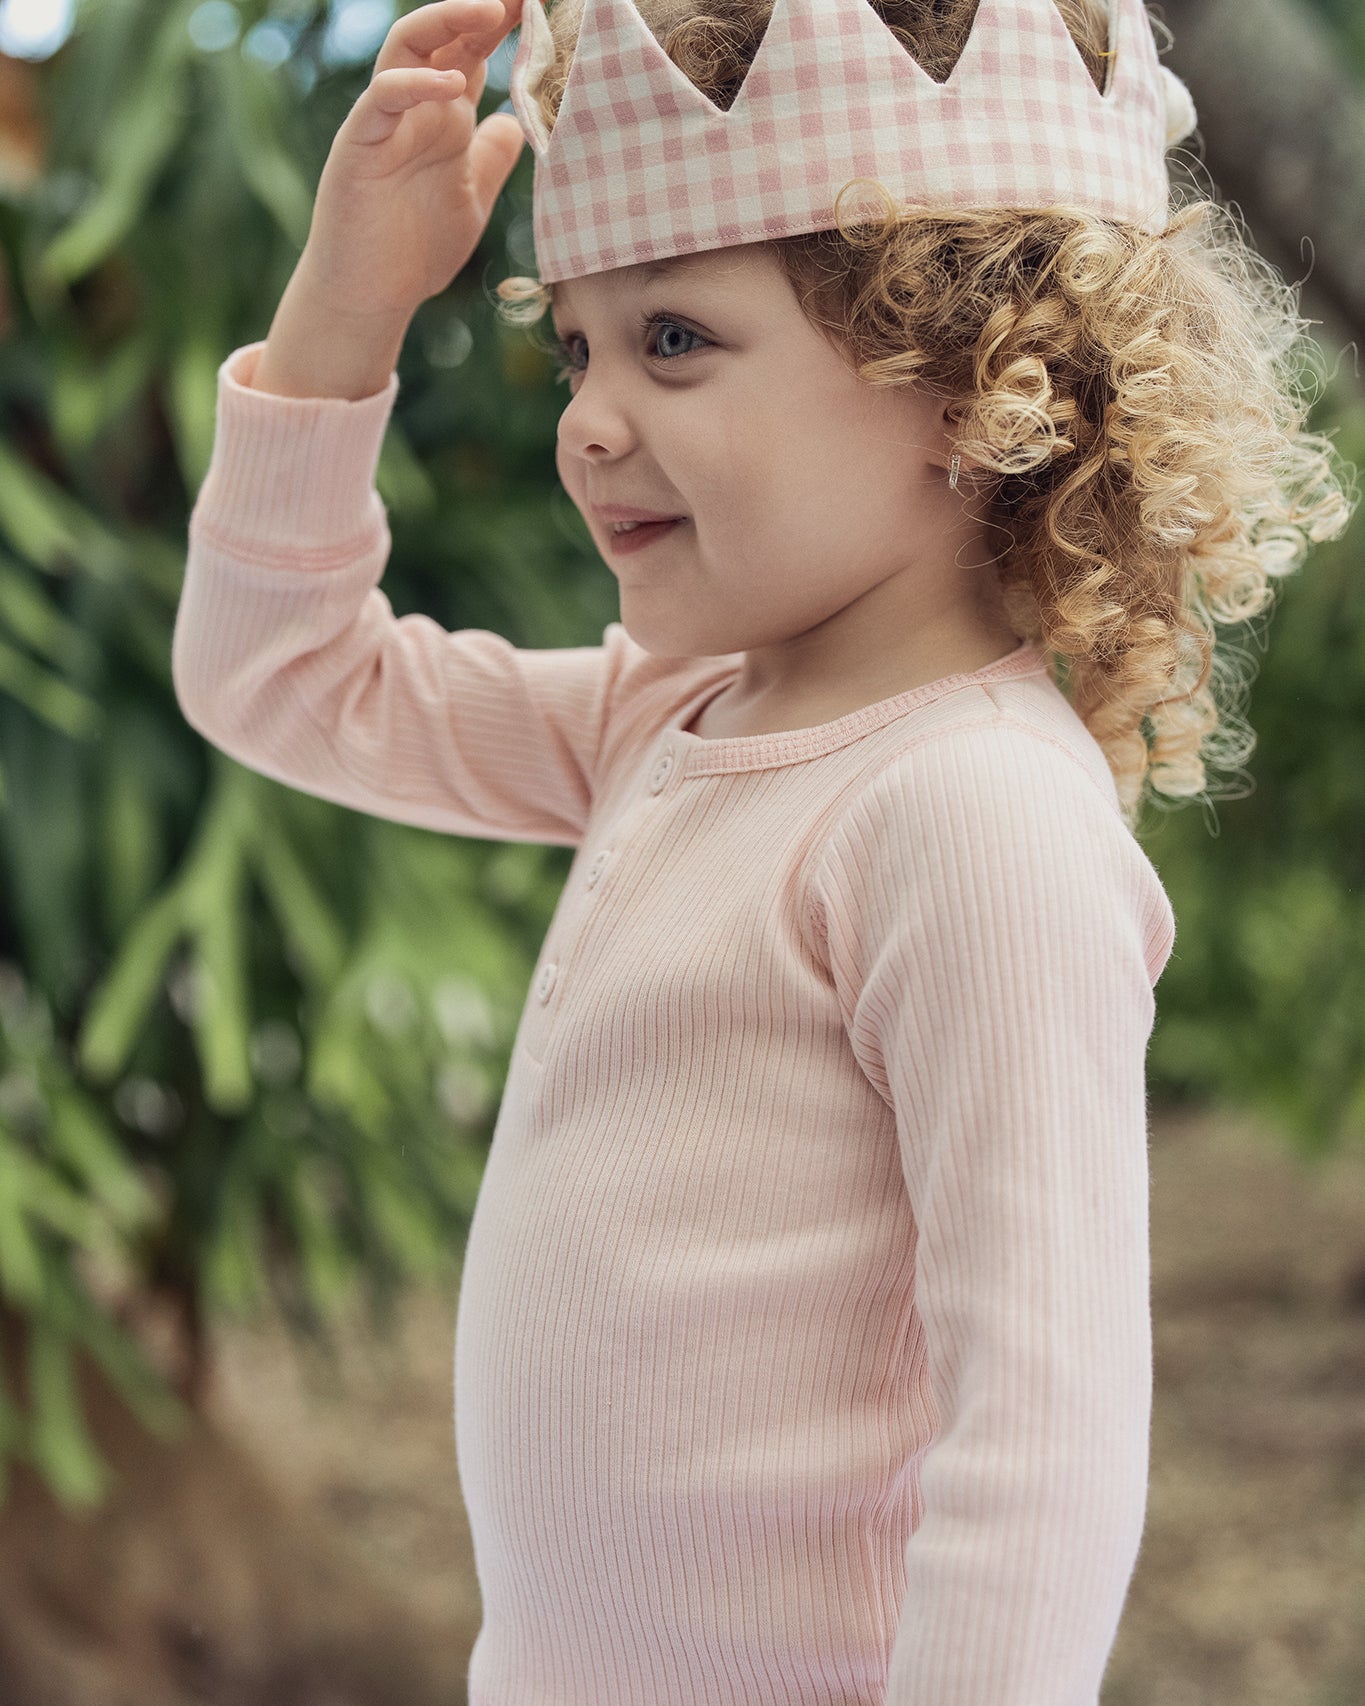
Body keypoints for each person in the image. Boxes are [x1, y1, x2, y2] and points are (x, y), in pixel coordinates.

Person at [170, 1, 1354, 1701]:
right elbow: (272, 678)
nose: (583, 419)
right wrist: (347, 302)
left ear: (976, 381)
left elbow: (1039, 1437)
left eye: (673, 340)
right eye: (575, 348)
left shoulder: (971, 817)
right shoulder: (664, 717)